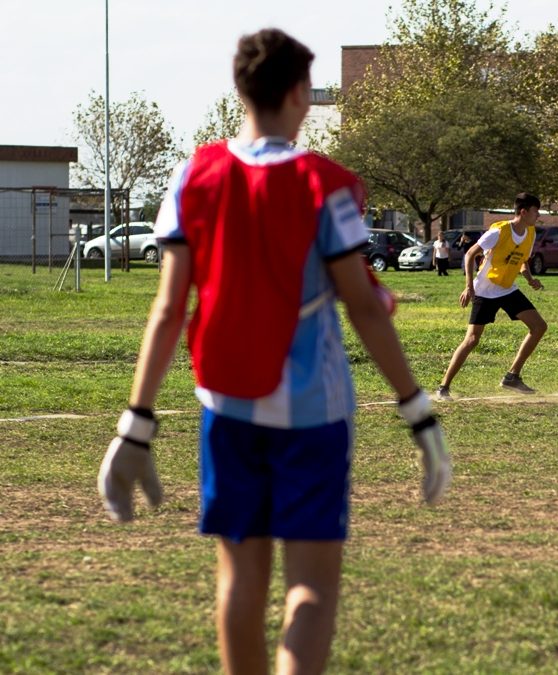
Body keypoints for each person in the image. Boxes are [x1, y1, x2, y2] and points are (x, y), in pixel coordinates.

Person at [96, 28, 451, 674]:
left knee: (237, 584)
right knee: (310, 588)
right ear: (297, 96)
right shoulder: (325, 186)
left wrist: (136, 422)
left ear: (240, 90)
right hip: (312, 416)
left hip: (225, 407)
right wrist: (417, 411)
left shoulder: (190, 177)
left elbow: (170, 309)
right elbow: (365, 305)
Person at [435, 193, 547, 400]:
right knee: (472, 340)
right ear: (523, 212)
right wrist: (469, 287)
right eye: (535, 211)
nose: (538, 215)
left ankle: (512, 377)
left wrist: (530, 279)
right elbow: (470, 254)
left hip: (507, 289)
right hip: (485, 291)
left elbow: (522, 260)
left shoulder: (530, 233)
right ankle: (443, 387)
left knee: (539, 326)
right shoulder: (499, 231)